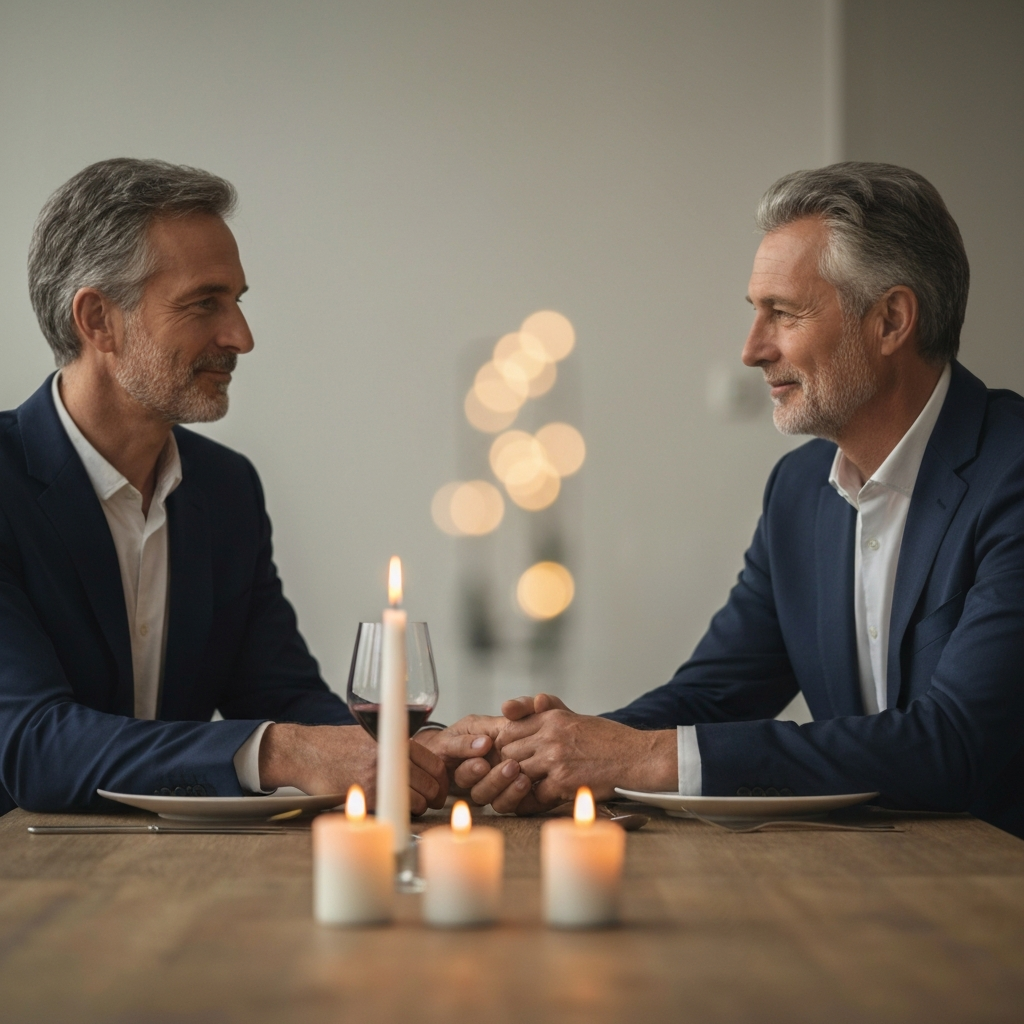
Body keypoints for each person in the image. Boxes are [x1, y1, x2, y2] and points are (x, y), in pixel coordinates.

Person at [450, 162, 1024, 839]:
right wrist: (546, 752)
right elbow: (714, 695)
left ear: (891, 320)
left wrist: (632, 757)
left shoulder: (1012, 472)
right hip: (872, 879)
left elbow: (956, 743)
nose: (752, 350)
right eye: (755, 311)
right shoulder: (798, 491)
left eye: (783, 313)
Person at [0, 158, 489, 814]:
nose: (242, 337)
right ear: (97, 320)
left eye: (237, 301)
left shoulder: (225, 489)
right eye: (205, 303)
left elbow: (282, 696)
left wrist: (426, 752)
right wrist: (282, 752)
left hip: (178, 869)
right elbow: (30, 745)